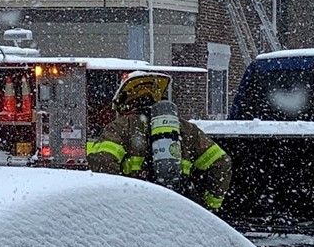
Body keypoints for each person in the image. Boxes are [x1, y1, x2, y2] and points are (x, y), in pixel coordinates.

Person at [86, 72, 231, 210]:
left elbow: (102, 161)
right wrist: (209, 207)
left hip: (137, 207)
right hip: (180, 206)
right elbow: (221, 162)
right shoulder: (186, 129)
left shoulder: (120, 126)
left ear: (125, 102)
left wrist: (119, 201)